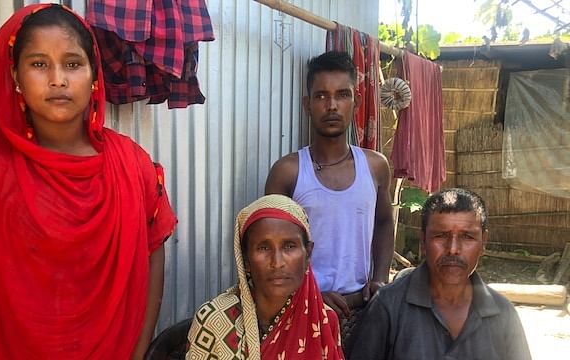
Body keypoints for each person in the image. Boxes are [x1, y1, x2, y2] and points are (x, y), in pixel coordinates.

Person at [0, 4, 177, 359]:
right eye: (39, 64)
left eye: (72, 63)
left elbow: (153, 251)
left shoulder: (132, 165)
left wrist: (139, 348)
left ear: (94, 75)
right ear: (16, 77)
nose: (58, 79)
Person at [265, 51, 394, 331]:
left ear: (356, 102)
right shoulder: (288, 172)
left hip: (362, 311)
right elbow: (267, 252)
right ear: (307, 105)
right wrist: (307, 295)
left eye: (342, 95)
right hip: (302, 313)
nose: (332, 105)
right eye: (321, 96)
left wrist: (380, 280)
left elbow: (383, 222)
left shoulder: (375, 166)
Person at [347, 188, 532, 360]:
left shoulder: (503, 314)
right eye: (441, 236)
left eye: (467, 237)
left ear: (483, 242)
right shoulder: (388, 306)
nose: (453, 249)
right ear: (423, 241)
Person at [186, 195, 344, 359]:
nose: (277, 262)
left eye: (289, 246)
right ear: (246, 260)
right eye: (263, 248)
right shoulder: (214, 320)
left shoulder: (322, 318)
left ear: (308, 254)